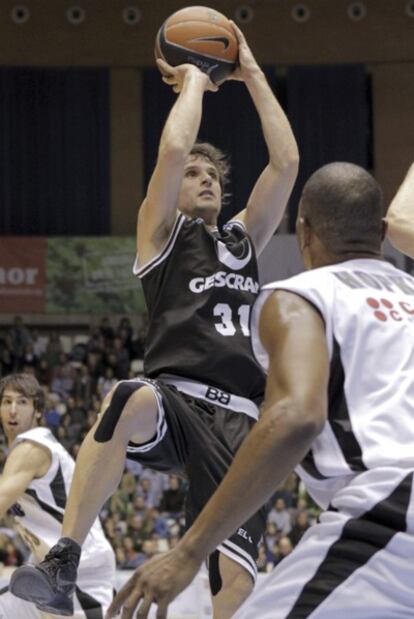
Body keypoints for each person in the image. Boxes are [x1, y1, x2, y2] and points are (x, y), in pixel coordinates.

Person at [10, 23, 298, 619]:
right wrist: (194, 79)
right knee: (126, 396)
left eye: (213, 175)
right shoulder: (161, 235)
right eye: (196, 175)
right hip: (174, 401)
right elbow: (171, 151)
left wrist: (253, 74)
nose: (206, 179)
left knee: (234, 589)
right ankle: (64, 557)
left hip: (241, 419)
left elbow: (287, 162)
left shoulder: (243, 241)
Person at [106, 162, 414, 619]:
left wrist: (189, 551)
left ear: (303, 233)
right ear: (382, 231)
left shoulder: (301, 295)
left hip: (390, 507)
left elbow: (296, 417)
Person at [0, 373, 116, 618]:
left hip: (80, 569)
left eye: (22, 402)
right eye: (6, 401)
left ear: (38, 411)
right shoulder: (19, 451)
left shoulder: (32, 446)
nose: (12, 410)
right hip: (45, 573)